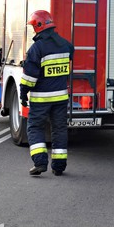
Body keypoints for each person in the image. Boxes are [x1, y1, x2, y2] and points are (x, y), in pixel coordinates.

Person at [20, 10, 74, 176]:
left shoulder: (36, 48)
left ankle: (40, 162)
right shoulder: (65, 45)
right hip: (61, 97)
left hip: (41, 99)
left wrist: (23, 93)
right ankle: (59, 166)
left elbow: (29, 78)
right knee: (59, 129)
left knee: (35, 127)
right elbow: (70, 54)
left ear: (38, 26)